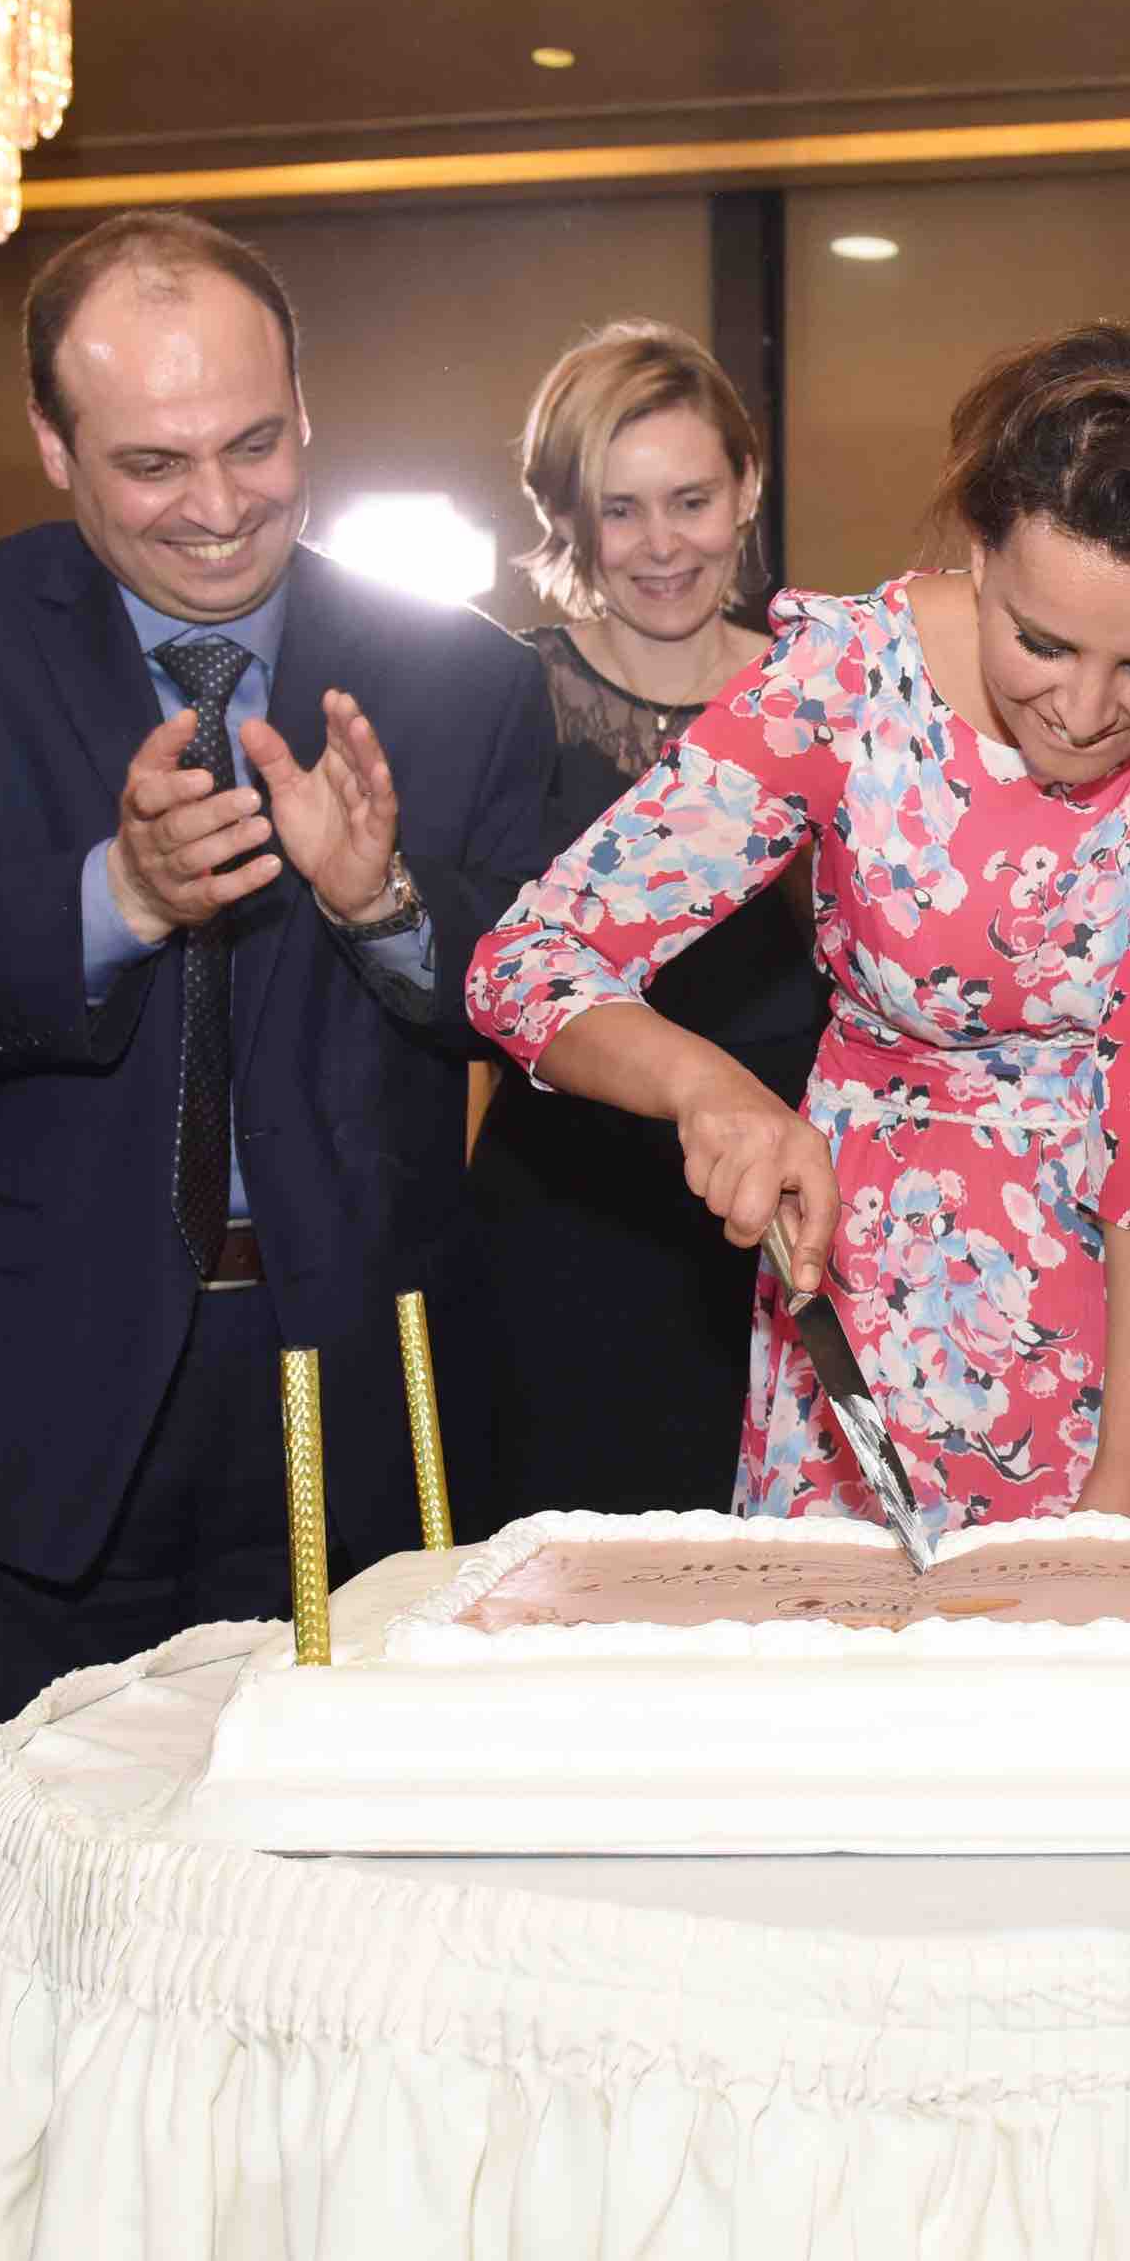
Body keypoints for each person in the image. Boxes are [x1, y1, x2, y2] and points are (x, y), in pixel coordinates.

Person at [0, 209, 552, 1840]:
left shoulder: (463, 679)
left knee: (332, 1910)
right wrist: (114, 898)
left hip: (353, 1397)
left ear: (306, 410)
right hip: (20, 1412)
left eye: (255, 444)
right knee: (31, 1903)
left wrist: (382, 902)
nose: (217, 506)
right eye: (152, 463)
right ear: (53, 446)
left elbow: (535, 1000)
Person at [470, 319, 1130, 1532]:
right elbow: (525, 962)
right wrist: (704, 1086)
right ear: (980, 551)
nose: (1084, 710)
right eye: (1041, 642)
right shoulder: (845, 684)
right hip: (908, 1295)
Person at [455, 320, 823, 1523]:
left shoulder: (824, 689)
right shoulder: (502, 696)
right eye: (621, 510)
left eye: (691, 500)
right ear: (569, 516)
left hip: (779, 1206)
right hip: (561, 1220)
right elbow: (467, 977)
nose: (662, 545)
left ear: (747, 488)